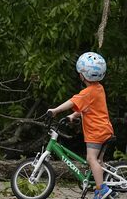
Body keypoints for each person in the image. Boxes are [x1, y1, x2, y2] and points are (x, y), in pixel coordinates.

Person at [47, 52, 115, 199]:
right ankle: (104, 185)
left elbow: (73, 102)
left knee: (91, 159)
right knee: (99, 161)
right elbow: (87, 106)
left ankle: (101, 190)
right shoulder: (98, 88)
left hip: (96, 132)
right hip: (105, 130)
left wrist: (55, 110)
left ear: (82, 75)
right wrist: (73, 115)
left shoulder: (87, 92)